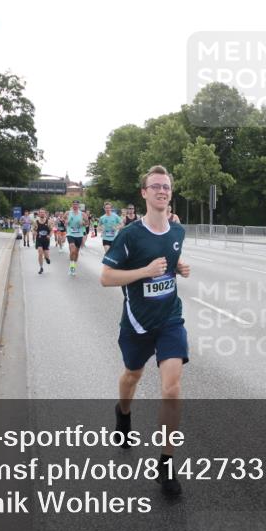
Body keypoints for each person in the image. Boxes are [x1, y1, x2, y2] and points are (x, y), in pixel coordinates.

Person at [100, 165, 190, 496]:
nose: (161, 191)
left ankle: (166, 464)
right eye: (155, 186)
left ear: (170, 192)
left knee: (172, 388)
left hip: (170, 320)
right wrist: (144, 271)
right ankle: (123, 413)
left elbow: (169, 263)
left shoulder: (178, 231)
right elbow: (106, 278)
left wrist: (179, 268)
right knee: (132, 376)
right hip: (137, 323)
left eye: (166, 186)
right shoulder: (130, 235)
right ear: (144, 193)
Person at [65, 200, 90, 276]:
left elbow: (87, 223)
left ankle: (74, 266)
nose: (75, 206)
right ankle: (71, 266)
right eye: (74, 204)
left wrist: (83, 223)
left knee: (76, 252)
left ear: (78, 206)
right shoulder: (68, 213)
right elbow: (63, 220)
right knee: (72, 250)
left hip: (79, 235)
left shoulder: (82, 214)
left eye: (76, 204)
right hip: (70, 233)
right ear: (72, 205)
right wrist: (66, 222)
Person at [33, 209, 52, 274]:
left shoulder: (48, 221)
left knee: (46, 255)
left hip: (46, 240)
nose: (42, 213)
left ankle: (46, 258)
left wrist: (49, 235)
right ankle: (41, 267)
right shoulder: (36, 222)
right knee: (40, 253)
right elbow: (33, 230)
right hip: (39, 239)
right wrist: (35, 233)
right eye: (41, 212)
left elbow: (51, 230)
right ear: (39, 214)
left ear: (45, 213)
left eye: (43, 212)